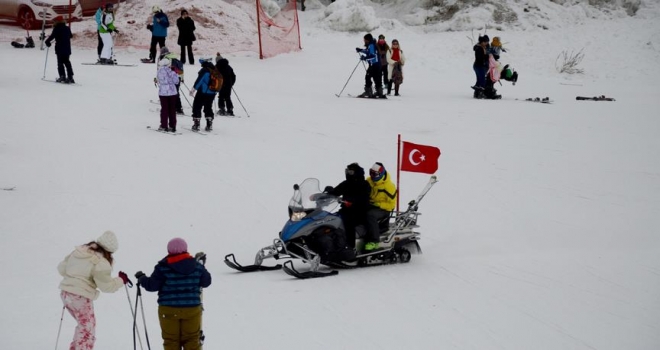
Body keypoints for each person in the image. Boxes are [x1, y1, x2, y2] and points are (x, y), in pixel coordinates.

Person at [57, 231, 130, 350]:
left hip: (65, 294)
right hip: (80, 296)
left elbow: (61, 269)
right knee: (88, 330)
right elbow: (107, 287)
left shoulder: (79, 251)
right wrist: (121, 280)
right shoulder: (101, 262)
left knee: (84, 326)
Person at [135, 238, 211, 350]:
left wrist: (142, 278)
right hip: (192, 309)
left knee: (171, 341)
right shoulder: (196, 266)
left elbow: (152, 286)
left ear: (169, 251)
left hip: (168, 309)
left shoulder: (163, 267)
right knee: (192, 340)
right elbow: (206, 282)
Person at [324, 163, 372, 250]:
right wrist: (323, 196)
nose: (347, 173)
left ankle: (350, 247)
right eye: (347, 171)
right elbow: (336, 191)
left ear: (356, 173)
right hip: (346, 210)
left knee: (349, 223)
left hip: (359, 212)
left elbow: (364, 198)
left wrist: (352, 202)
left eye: (350, 171)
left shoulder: (364, 185)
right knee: (330, 218)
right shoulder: (346, 183)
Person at [364, 162, 397, 251]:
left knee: (370, 215)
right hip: (371, 205)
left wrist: (379, 204)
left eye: (374, 174)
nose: (372, 175)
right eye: (370, 172)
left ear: (380, 174)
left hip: (384, 209)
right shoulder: (369, 181)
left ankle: (374, 241)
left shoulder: (388, 186)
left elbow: (392, 204)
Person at [190, 58, 220, 131]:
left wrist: (193, 89)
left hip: (202, 92)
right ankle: (209, 124)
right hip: (212, 93)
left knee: (197, 106)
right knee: (208, 107)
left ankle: (196, 124)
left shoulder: (204, 70)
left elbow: (199, 81)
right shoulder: (215, 70)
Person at [45, 16, 74, 84]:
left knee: (60, 63)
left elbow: (52, 36)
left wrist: (47, 42)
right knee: (67, 62)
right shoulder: (67, 28)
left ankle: (62, 76)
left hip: (60, 48)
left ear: (57, 22)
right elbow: (71, 36)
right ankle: (70, 77)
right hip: (67, 48)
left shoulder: (57, 29)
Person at [356, 33, 386, 98]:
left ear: (368, 40)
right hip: (378, 65)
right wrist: (361, 50)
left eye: (364, 40)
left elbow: (373, 55)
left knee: (368, 77)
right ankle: (379, 92)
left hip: (374, 65)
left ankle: (368, 91)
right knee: (377, 78)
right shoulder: (372, 44)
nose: (364, 41)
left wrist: (365, 58)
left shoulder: (371, 45)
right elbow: (368, 51)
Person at [158, 46, 185, 115]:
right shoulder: (174, 57)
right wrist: (182, 79)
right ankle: (178, 108)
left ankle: (176, 108)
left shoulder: (166, 59)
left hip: (171, 79)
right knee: (176, 93)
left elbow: (160, 65)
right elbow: (180, 70)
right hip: (178, 77)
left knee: (172, 93)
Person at [157, 57, 180, 132]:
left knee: (164, 109)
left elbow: (158, 81)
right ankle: (172, 126)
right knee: (172, 109)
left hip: (163, 93)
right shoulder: (172, 71)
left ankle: (164, 125)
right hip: (172, 92)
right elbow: (176, 81)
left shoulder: (159, 71)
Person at [472, 35, 490, 99]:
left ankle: (476, 93)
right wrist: (487, 56)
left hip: (479, 66)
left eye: (487, 42)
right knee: (482, 80)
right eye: (485, 42)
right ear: (482, 42)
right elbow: (480, 58)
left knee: (479, 80)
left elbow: (489, 50)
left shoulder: (484, 46)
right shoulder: (479, 49)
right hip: (479, 66)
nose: (487, 43)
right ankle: (480, 94)